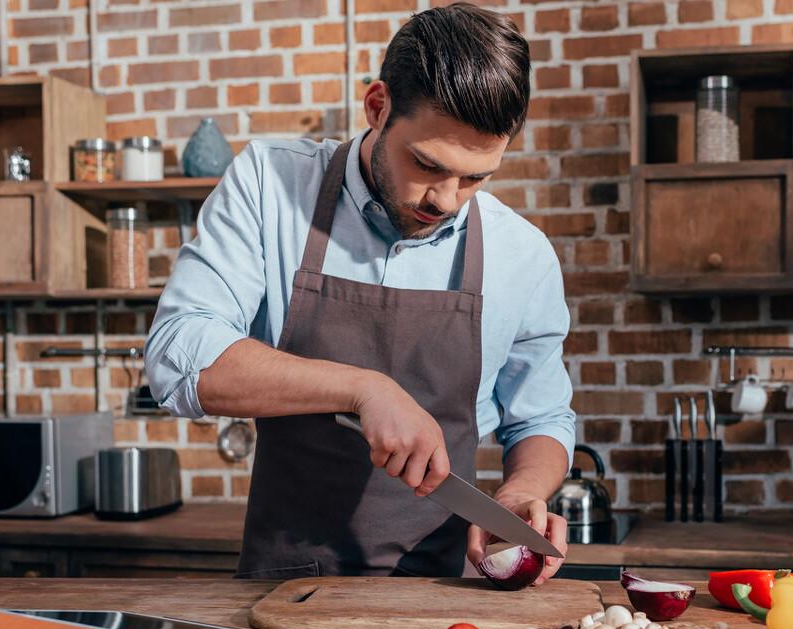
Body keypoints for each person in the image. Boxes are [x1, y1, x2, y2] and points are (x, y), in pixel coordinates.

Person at [144, 3, 575, 582]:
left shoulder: (521, 253)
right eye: (427, 164)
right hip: (286, 585)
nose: (446, 200)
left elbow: (541, 415)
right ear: (377, 107)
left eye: (475, 178)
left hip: (448, 591)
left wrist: (523, 490)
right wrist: (363, 389)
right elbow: (179, 356)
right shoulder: (270, 185)